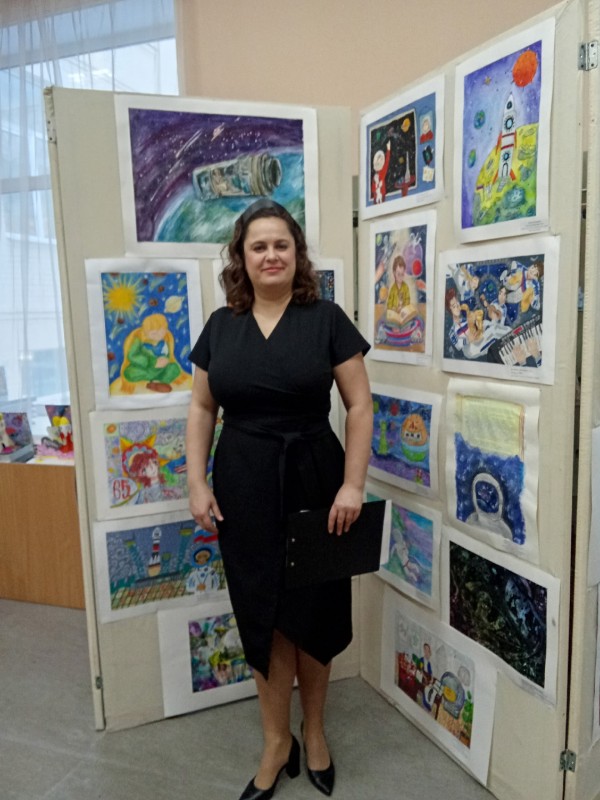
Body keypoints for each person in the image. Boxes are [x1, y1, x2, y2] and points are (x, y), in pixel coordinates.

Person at [186, 198, 373, 800]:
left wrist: (352, 484)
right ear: (242, 258)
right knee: (262, 612)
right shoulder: (221, 326)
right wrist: (195, 481)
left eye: (281, 245)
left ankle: (313, 731)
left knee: (315, 611)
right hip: (243, 484)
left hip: (317, 481)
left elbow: (359, 405)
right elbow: (201, 408)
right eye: (259, 246)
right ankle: (275, 740)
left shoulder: (327, 319)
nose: (271, 255)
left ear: (297, 254)